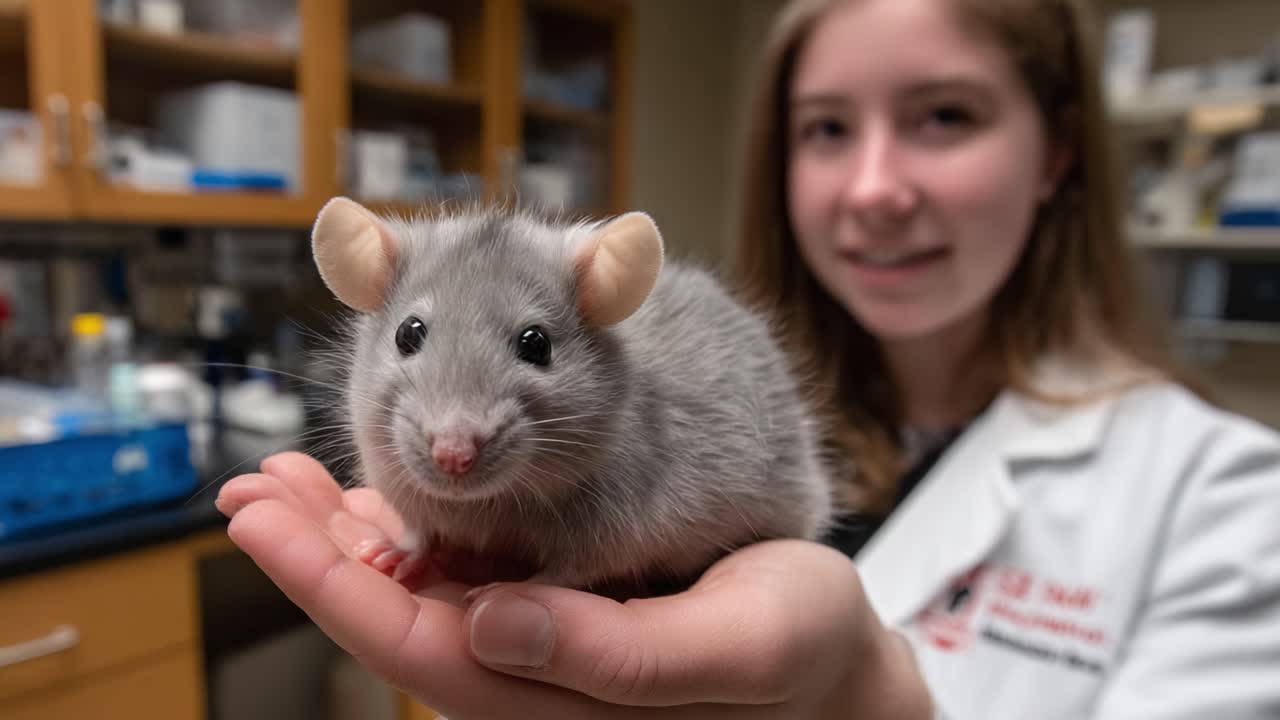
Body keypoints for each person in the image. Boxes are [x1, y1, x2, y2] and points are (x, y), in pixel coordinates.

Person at [215, 0, 1280, 716]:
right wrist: (426, 532)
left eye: (943, 116)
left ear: (1053, 152)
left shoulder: (1226, 498)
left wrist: (869, 698)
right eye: (825, 129)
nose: (872, 188)